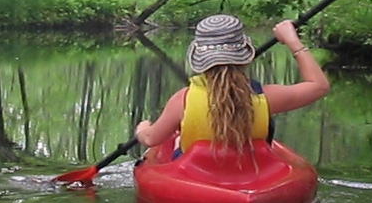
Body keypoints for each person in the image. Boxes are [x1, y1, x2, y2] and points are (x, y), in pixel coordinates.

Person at [134, 13, 330, 154]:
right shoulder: (266, 98)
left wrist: (142, 129)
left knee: (177, 141)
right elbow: (319, 86)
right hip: (250, 175)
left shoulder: (183, 100)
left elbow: (151, 139)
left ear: (200, 59)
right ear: (244, 57)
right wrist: (292, 41)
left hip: (198, 175)